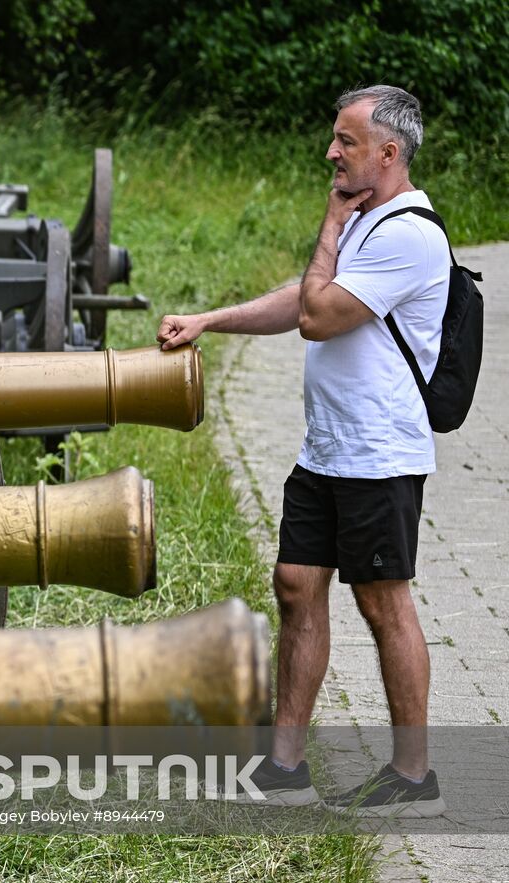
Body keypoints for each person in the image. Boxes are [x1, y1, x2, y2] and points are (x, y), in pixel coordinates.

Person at [157, 85, 449, 817]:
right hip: (328, 450)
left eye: (345, 141)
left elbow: (318, 316)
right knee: (295, 585)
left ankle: (414, 776)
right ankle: (284, 767)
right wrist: (210, 321)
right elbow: (303, 296)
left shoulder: (411, 234)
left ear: (388, 151)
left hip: (379, 456)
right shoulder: (366, 222)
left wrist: (328, 223)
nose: (331, 152)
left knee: (384, 605)